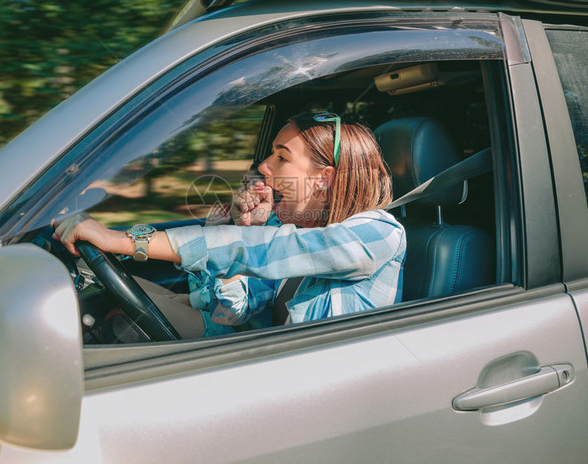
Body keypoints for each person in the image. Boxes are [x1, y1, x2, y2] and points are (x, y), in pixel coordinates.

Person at [54, 112, 406, 338]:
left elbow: (263, 250)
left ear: (323, 179)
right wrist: (248, 228)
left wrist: (121, 239)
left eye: (281, 157)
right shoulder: (301, 234)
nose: (264, 167)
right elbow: (232, 311)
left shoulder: (377, 234)